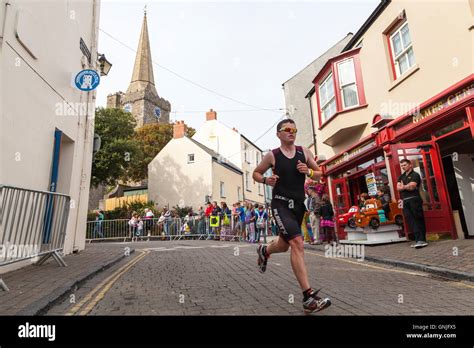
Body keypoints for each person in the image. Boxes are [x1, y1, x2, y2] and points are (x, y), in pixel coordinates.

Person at [252, 118, 331, 314]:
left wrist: (310, 172)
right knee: (297, 243)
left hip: (298, 206)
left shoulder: (304, 152)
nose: (291, 131)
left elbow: (321, 173)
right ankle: (308, 298)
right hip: (280, 205)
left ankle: (265, 251)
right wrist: (266, 180)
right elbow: (255, 172)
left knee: (284, 244)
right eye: (287, 129)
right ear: (278, 134)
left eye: (294, 129)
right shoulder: (272, 155)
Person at [397, 158, 428, 248]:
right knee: (411, 221)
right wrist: (405, 186)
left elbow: (412, 187)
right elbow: (398, 188)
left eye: (405, 165)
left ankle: (422, 240)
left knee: (418, 219)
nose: (403, 167)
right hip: (405, 201)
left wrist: (404, 186)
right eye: (402, 165)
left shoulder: (415, 175)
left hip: (414, 200)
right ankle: (418, 240)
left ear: (410, 165)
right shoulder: (401, 176)